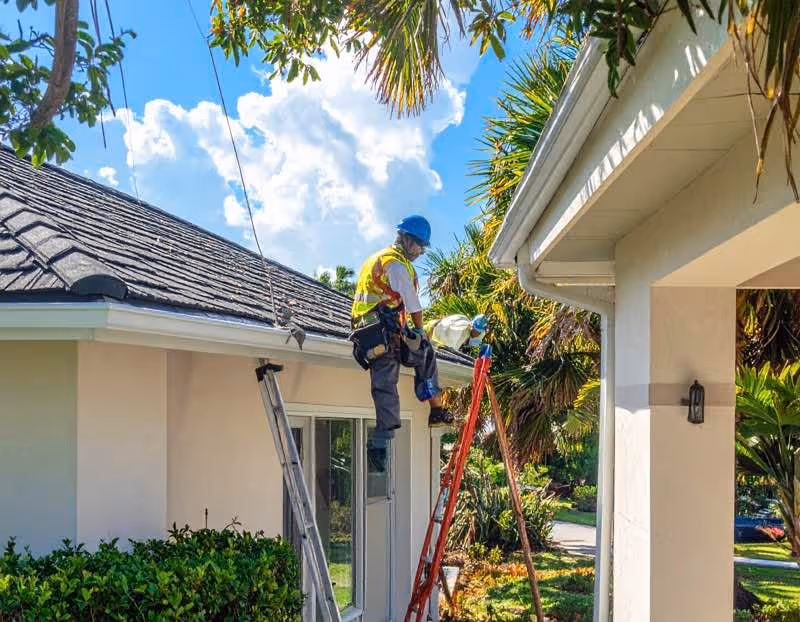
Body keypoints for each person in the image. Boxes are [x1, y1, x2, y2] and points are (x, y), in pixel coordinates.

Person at [350, 215, 454, 469]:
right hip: (375, 332)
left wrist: (415, 337)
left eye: (423, 246)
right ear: (406, 239)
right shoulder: (394, 264)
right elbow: (412, 303)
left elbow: (396, 302)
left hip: (385, 328)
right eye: (419, 245)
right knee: (386, 379)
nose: (421, 251)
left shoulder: (391, 261)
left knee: (424, 355)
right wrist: (419, 331)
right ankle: (379, 446)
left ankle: (436, 409)